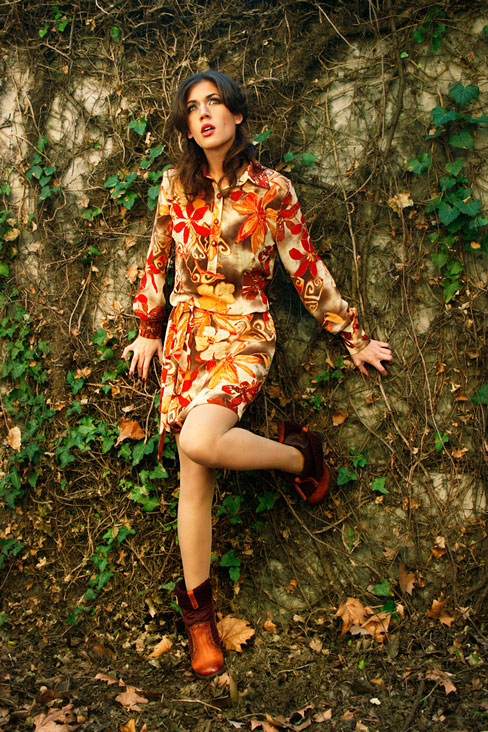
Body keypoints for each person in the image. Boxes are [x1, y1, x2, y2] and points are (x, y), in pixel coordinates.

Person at [122, 70, 393, 679]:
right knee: (193, 474)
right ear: (187, 126)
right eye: (193, 108)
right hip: (187, 340)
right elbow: (158, 259)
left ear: (237, 114)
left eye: (215, 102)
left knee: (199, 440)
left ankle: (300, 457)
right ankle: (200, 622)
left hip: (245, 332)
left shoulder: (273, 190)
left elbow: (304, 264)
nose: (204, 114)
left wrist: (351, 335)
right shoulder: (174, 186)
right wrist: (147, 327)